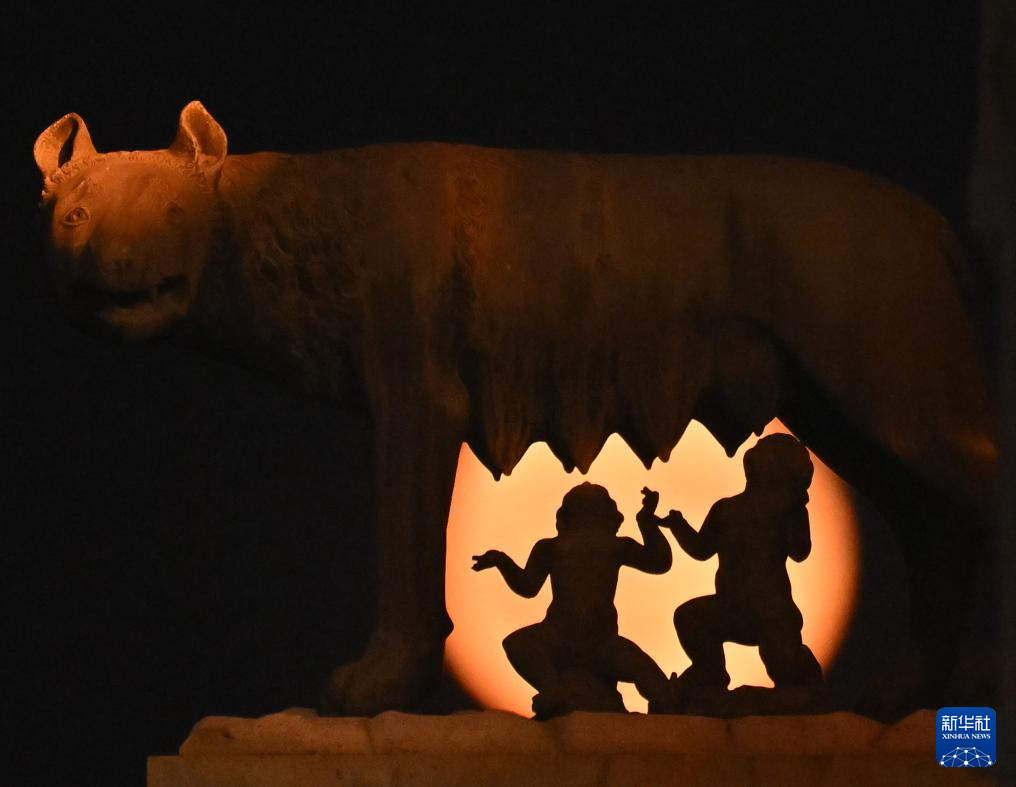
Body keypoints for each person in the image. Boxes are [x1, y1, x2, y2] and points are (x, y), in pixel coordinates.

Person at [472, 482, 673, 717]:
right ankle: (552, 689)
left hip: (601, 640)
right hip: (558, 635)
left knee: (640, 668)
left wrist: (646, 520)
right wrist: (502, 561)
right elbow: (528, 586)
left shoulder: (614, 546)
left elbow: (659, 562)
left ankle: (666, 704)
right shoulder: (553, 547)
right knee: (518, 644)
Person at [654, 433, 822, 690]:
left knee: (785, 666)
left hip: (772, 611)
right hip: (731, 606)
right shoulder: (726, 509)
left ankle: (806, 679)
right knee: (690, 617)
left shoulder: (786, 510)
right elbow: (701, 549)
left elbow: (800, 551)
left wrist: (796, 513)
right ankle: (710, 672)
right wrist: (678, 525)